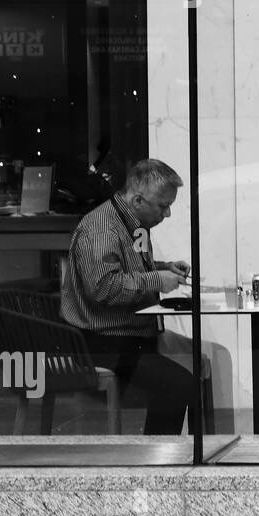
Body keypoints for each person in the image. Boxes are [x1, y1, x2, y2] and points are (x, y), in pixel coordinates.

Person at [61, 158, 196, 434]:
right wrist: (157, 279)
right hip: (100, 341)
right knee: (179, 384)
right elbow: (103, 288)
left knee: (186, 373)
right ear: (137, 201)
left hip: (127, 334)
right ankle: (155, 465)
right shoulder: (101, 229)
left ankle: (163, 457)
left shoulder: (131, 222)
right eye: (163, 206)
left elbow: (126, 268)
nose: (168, 214)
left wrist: (163, 267)